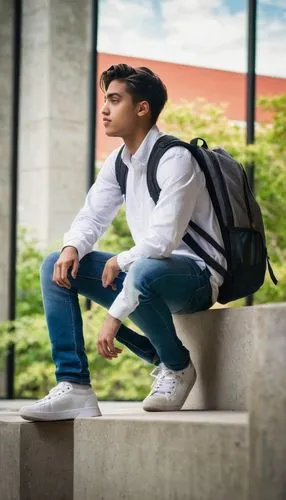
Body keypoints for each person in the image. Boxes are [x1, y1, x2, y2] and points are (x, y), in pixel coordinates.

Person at [19, 63, 226, 422]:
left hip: (194, 278)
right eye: (104, 100)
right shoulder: (120, 162)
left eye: (114, 100)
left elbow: (162, 241)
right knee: (56, 262)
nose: (104, 109)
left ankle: (177, 366)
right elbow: (93, 216)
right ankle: (75, 385)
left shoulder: (176, 158)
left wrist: (113, 317)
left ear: (142, 108)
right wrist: (72, 248)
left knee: (139, 267)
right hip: (147, 270)